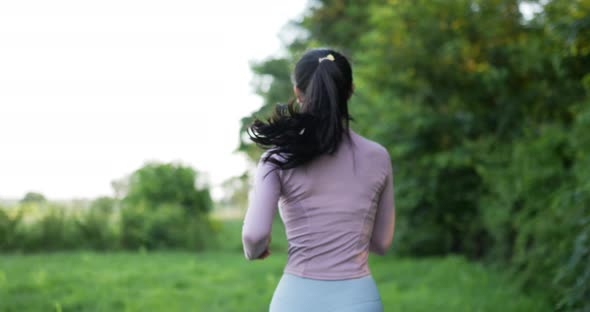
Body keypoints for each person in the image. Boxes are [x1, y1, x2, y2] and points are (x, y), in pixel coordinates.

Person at [242, 48, 395, 312]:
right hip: (359, 299)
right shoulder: (378, 156)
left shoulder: (277, 158)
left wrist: (254, 251)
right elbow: (381, 242)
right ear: (350, 90)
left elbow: (255, 236)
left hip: (297, 300)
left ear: (298, 92)